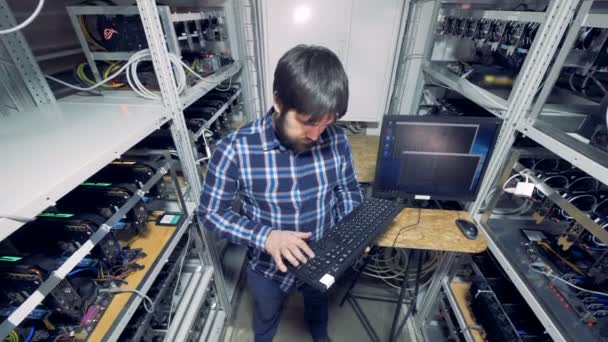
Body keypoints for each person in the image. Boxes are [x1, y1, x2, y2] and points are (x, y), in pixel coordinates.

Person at [198, 44, 363, 342]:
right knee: (265, 313)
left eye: (326, 124)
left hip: (321, 256)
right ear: (278, 102)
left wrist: (352, 232)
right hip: (266, 267)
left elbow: (348, 190)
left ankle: (319, 334)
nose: (317, 136)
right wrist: (266, 237)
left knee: (318, 306)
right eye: (308, 122)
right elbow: (211, 213)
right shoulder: (235, 149)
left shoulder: (337, 141)